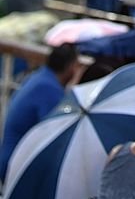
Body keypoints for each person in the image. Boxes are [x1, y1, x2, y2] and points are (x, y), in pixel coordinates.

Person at [0, 43, 81, 182]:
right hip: (16, 165)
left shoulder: (39, 77)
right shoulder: (49, 89)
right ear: (70, 67)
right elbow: (57, 133)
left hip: (10, 158)